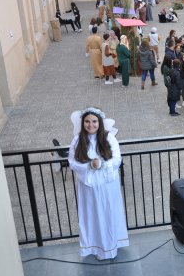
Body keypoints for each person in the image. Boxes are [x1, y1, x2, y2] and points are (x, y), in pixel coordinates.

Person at [68, 107, 129, 260]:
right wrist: (88, 166)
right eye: (87, 122)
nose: (91, 125)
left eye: (94, 121)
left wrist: (102, 164)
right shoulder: (77, 140)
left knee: (108, 213)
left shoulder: (109, 138)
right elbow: (72, 163)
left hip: (108, 186)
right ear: (83, 123)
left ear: (99, 123)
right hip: (88, 188)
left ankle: (111, 245)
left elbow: (117, 159)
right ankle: (95, 247)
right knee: (92, 216)